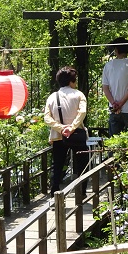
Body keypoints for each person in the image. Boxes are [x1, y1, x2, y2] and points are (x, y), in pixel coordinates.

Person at [44, 66, 89, 197]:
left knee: (57, 165)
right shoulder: (79, 95)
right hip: (77, 135)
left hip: (58, 136)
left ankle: (54, 192)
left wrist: (61, 128)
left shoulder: (52, 97)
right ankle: (82, 192)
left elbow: (47, 117)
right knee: (82, 164)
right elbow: (82, 112)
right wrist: (72, 127)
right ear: (71, 81)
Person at [102, 37, 128, 136]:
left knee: (114, 141)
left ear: (116, 49)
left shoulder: (108, 65)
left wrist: (114, 103)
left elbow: (105, 88)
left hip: (114, 109)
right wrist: (121, 103)